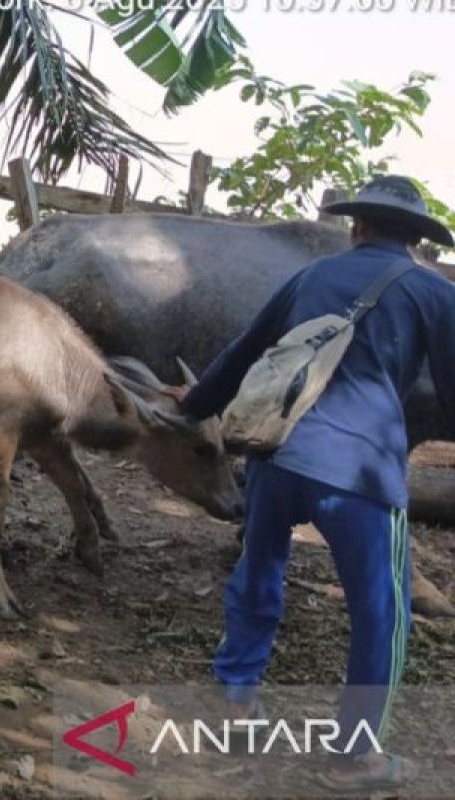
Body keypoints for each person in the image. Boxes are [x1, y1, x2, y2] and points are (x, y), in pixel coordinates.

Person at [171, 175, 455, 791]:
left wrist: (192, 406)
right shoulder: (434, 292)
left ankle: (238, 702)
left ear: (358, 226)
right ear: (415, 240)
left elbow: (245, 352)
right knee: (384, 610)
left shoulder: (312, 276)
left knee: (259, 572)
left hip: (274, 455)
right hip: (361, 473)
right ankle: (354, 757)